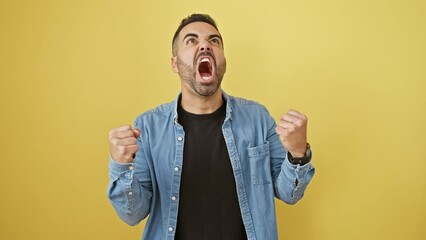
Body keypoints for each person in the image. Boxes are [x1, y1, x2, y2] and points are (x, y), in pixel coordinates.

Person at [107, 13, 315, 240]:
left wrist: (297, 154)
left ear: (223, 61)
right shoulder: (148, 128)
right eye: (192, 40)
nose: (205, 45)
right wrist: (121, 166)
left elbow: (289, 193)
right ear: (175, 63)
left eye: (214, 41)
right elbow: (133, 214)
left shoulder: (258, 118)